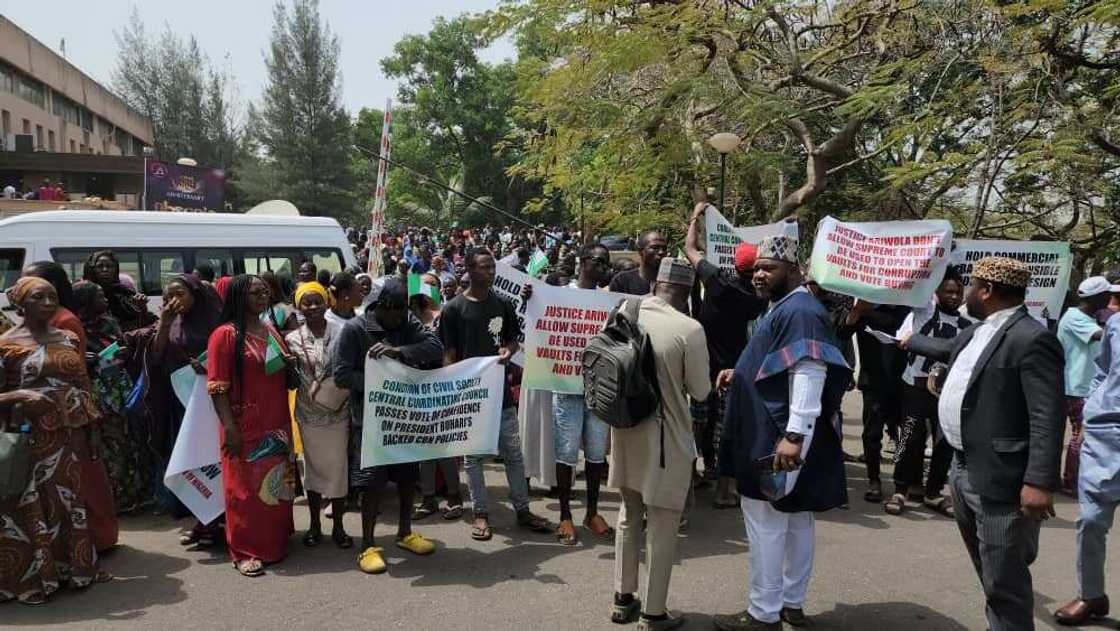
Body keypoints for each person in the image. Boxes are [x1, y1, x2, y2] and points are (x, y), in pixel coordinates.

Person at [903, 256, 1064, 631]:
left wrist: (1039, 482)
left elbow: (1047, 416)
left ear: (987, 291)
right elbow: (946, 351)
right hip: (962, 467)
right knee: (989, 569)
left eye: (972, 286)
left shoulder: (1032, 338)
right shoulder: (978, 330)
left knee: (1004, 580)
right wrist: (909, 340)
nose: (965, 294)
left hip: (999, 478)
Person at [712, 236, 851, 631]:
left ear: (792, 269)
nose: (758, 274)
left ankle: (763, 613)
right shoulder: (786, 306)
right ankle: (790, 603)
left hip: (780, 437)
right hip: (785, 434)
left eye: (768, 267)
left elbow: (808, 371)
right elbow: (776, 364)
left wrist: (794, 436)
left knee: (766, 520)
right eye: (756, 267)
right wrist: (737, 372)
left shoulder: (801, 310)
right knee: (796, 518)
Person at [608, 258, 710, 630]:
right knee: (663, 524)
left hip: (624, 429)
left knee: (628, 513)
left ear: (656, 284)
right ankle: (653, 613)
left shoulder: (625, 309)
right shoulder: (689, 328)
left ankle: (623, 599)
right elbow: (700, 391)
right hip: (666, 439)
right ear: (687, 292)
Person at [0, 277, 113, 605]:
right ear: (22, 304)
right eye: (39, 297)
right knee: (30, 502)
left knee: (67, 500)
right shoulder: (6, 344)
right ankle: (37, 575)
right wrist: (20, 394)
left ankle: (73, 567)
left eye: (52, 297)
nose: (49, 303)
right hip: (27, 435)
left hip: (69, 434)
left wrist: (93, 432)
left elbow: (83, 384)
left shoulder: (67, 337)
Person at [332, 278, 444, 574]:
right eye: (391, 312)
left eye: (401, 311)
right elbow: (341, 375)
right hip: (369, 421)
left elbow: (434, 347)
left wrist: (400, 352)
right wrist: (378, 382)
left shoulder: (407, 323)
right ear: (378, 306)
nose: (396, 318)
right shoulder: (355, 329)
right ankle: (368, 545)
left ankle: (405, 532)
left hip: (404, 419)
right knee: (372, 485)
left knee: (408, 480)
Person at [440, 247, 550, 541]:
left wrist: (508, 350)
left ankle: (523, 510)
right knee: (473, 459)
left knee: (513, 454)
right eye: (485, 267)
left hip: (500, 395)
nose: (490, 272)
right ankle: (480, 513)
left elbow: (513, 341)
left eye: (492, 267)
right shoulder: (453, 309)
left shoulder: (502, 304)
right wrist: (453, 392)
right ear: (470, 270)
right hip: (470, 397)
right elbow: (449, 355)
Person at [207, 275, 296, 577]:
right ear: (238, 297)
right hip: (243, 424)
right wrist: (229, 428)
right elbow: (217, 386)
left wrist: (290, 363)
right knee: (244, 489)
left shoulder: (270, 329)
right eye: (255, 292)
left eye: (265, 292)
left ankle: (276, 541)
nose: (263, 296)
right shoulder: (224, 335)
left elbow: (283, 373)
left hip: (276, 420)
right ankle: (245, 549)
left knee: (276, 485)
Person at [684, 203, 768, 507]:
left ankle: (690, 478)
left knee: (696, 424)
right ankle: (724, 488)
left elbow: (690, 248)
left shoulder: (716, 281)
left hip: (702, 366)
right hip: (732, 370)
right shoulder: (758, 298)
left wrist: (697, 215)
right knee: (726, 428)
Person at [1054, 304, 1120, 625]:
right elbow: (1103, 369)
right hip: (1106, 436)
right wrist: (1095, 403)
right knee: (1091, 520)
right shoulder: (1116, 325)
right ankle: (1091, 594)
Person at [884, 270, 969, 517]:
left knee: (945, 443)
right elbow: (903, 338)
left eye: (958, 292)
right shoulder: (920, 313)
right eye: (948, 291)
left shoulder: (968, 323)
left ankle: (933, 492)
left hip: (947, 392)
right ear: (937, 292)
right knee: (909, 437)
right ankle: (900, 489)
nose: (953, 296)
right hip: (915, 387)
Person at [548, 244, 615, 545]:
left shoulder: (607, 300)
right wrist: (531, 298)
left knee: (597, 454)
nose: (604, 268)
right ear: (584, 262)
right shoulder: (562, 291)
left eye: (607, 263)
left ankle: (591, 512)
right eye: (599, 262)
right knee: (566, 452)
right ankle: (565, 515)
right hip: (567, 387)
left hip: (597, 387)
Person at [285, 282, 352, 550]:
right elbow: (290, 383)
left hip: (338, 412)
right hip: (309, 414)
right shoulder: (291, 339)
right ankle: (314, 526)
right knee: (312, 471)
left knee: (338, 470)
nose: (312, 307)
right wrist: (289, 367)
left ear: (327, 302)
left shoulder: (343, 332)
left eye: (317, 301)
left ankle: (338, 527)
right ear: (298, 306)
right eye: (306, 302)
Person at [72, 280, 146, 514]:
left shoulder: (109, 321)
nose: (105, 300)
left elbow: (120, 343)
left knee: (125, 441)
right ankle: (112, 499)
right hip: (95, 391)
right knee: (105, 445)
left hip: (117, 386)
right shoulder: (74, 328)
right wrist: (85, 360)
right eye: (100, 296)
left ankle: (129, 496)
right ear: (85, 302)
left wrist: (121, 351)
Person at [840, 300, 909, 502]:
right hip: (873, 382)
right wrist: (858, 311)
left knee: (906, 434)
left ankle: (901, 483)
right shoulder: (863, 309)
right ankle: (874, 480)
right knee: (872, 434)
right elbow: (843, 333)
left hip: (903, 382)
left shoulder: (906, 308)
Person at [409, 290, 466, 522]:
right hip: (420, 388)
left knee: (442, 446)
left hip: (442, 388)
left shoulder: (443, 319)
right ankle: (428, 497)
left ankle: (454, 496)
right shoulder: (412, 324)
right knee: (424, 448)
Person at [1056, 277, 1112, 496]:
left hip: (1085, 386)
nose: (1110, 298)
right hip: (1077, 387)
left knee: (1083, 434)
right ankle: (1071, 482)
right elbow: (1105, 336)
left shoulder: (1085, 317)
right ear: (1096, 297)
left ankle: (1073, 480)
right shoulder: (1075, 318)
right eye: (1107, 294)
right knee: (1081, 434)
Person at [83, 250, 155, 333]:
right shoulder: (83, 294)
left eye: (109, 266)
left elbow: (142, 325)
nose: (105, 269)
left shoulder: (124, 294)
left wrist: (142, 307)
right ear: (91, 269)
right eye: (100, 266)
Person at [610, 231, 668, 296]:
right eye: (654, 247)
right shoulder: (622, 281)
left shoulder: (672, 283)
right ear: (640, 251)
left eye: (664, 248)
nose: (661, 252)